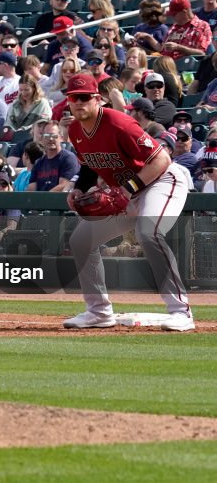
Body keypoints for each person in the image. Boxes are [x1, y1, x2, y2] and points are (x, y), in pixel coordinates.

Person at [62, 73, 194, 331]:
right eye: (73, 98)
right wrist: (77, 188)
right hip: (126, 191)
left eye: (84, 97)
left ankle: (181, 312)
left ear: (98, 99)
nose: (78, 103)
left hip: (161, 181)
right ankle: (99, 312)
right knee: (80, 241)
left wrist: (127, 190)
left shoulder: (118, 123)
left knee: (148, 233)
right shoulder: (75, 130)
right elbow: (88, 165)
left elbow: (161, 160)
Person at [27, 121, 79, 192]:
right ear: (42, 138)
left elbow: (64, 185)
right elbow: (31, 189)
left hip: (58, 198)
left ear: (61, 137)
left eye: (54, 136)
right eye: (47, 136)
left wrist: (45, 197)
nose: (50, 139)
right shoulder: (38, 163)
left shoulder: (68, 158)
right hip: (41, 198)